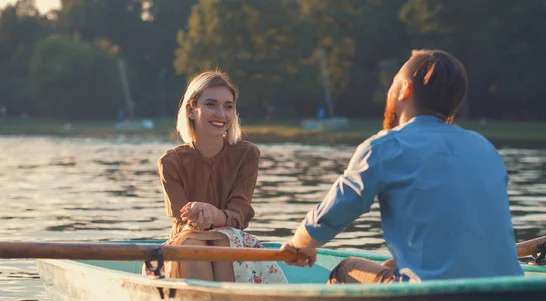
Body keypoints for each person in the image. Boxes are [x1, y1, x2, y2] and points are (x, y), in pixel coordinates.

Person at [280, 49, 524, 284]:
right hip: (507, 294)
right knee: (388, 268)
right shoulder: (484, 148)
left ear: (405, 90)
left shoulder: (385, 146)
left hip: (432, 300)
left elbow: (326, 220)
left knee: (346, 269)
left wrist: (298, 245)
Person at [144, 70, 287, 284]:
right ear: (191, 110)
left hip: (230, 239)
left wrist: (213, 214)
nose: (221, 114)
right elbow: (182, 219)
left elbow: (239, 212)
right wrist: (199, 215)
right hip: (188, 239)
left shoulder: (247, 155)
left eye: (228, 106)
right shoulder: (170, 162)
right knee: (193, 244)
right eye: (211, 104)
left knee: (223, 241)